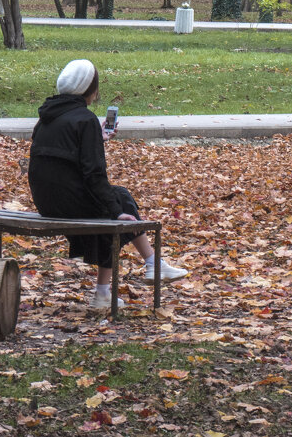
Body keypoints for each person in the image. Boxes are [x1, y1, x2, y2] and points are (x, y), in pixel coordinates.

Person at [28, 59, 188, 311]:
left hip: (47, 201)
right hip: (70, 203)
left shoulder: (47, 117)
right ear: (89, 88)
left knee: (113, 202)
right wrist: (117, 211)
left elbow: (63, 159)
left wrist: (97, 138)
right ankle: (151, 265)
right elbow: (94, 174)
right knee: (118, 201)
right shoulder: (85, 119)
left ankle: (117, 286)